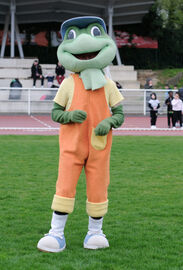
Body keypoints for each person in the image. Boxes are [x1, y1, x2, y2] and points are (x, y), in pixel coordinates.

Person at [37, 16, 124, 253]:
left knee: (98, 188)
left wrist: (109, 122)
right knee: (64, 187)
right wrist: (69, 116)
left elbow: (120, 114)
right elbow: (55, 113)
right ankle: (56, 233)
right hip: (71, 147)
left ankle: (95, 233)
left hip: (99, 146)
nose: (86, 52)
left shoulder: (108, 84)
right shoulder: (68, 84)